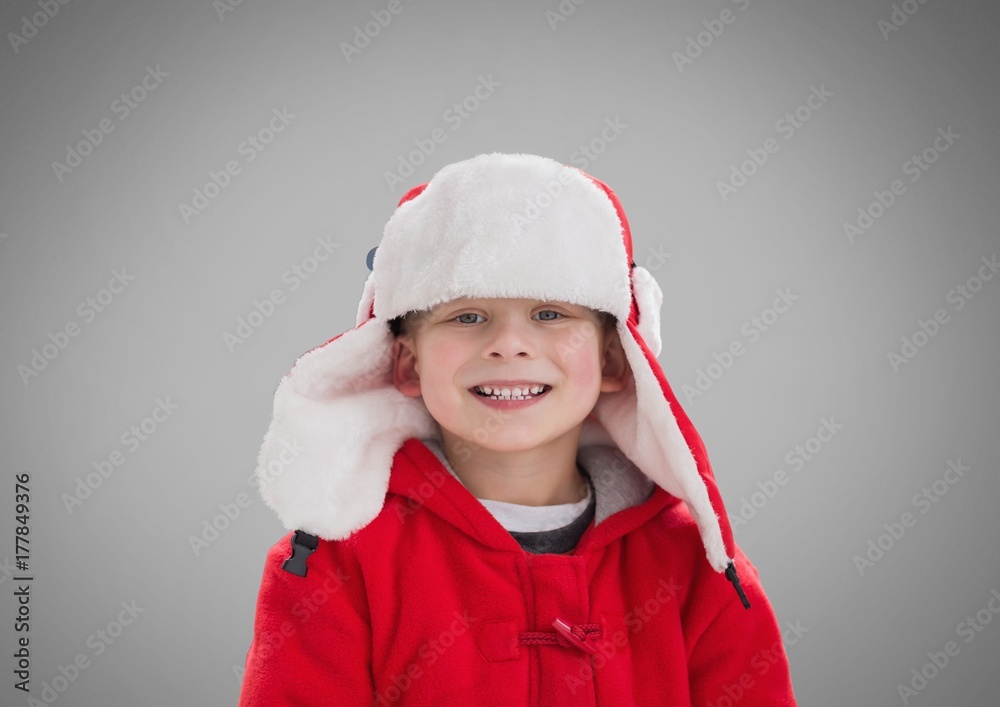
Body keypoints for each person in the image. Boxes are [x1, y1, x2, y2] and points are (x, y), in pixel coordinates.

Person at [237, 152, 798, 706]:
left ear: (612, 359)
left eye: (551, 314)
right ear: (407, 363)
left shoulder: (693, 567)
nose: (509, 343)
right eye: (467, 315)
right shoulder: (337, 564)